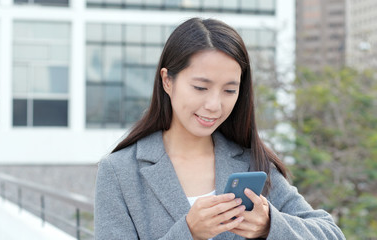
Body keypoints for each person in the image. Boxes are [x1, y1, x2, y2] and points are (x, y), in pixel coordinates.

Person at [94, 17, 345, 240]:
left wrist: (269, 226)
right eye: (201, 88)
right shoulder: (119, 172)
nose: (214, 105)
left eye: (229, 90)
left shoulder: (252, 163)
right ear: (167, 80)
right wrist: (189, 232)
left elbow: (331, 234)